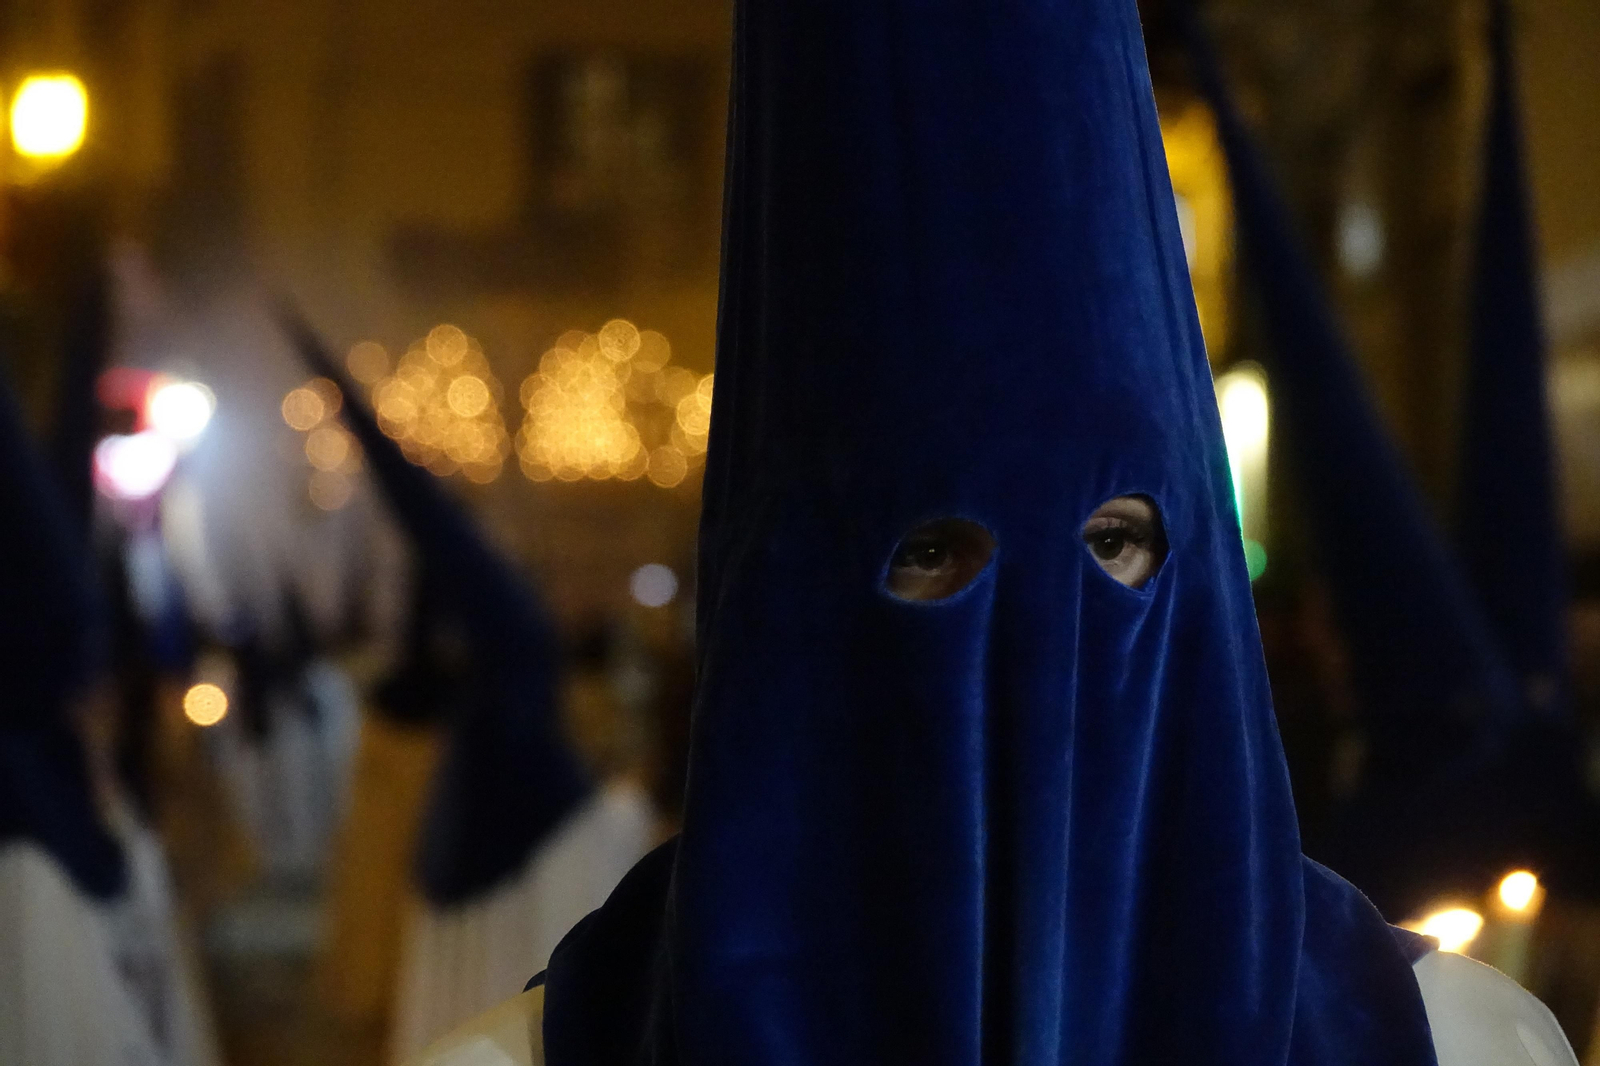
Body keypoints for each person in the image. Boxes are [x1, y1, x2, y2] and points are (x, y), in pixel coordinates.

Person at [410, 0, 1578, 1063]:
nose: (1035, 655)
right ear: (794, 606)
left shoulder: (1461, 1045)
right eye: (931, 553)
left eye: (1109, 543)